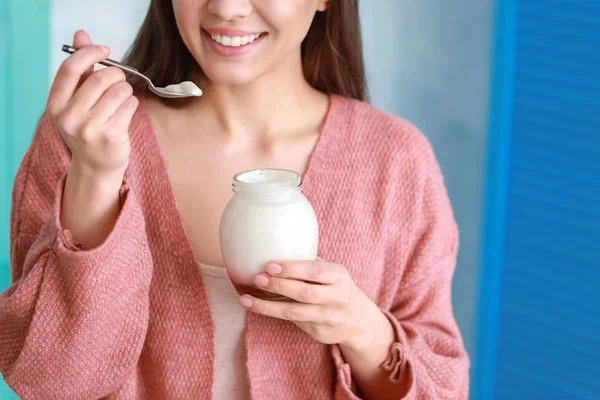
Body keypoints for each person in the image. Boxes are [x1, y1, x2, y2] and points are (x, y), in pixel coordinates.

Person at [0, 0, 469, 399]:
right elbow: (53, 384)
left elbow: (444, 385)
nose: (226, 8)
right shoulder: (82, 140)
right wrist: (96, 179)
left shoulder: (396, 161)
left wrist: (363, 331)